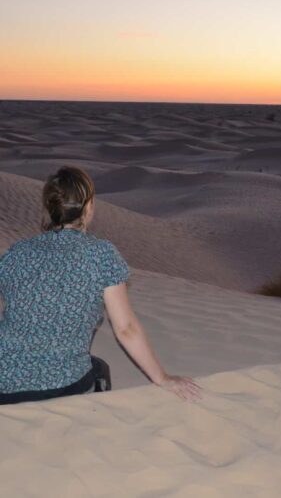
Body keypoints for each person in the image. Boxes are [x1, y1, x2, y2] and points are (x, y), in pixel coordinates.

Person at [0, 165, 203, 405]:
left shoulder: (15, 253)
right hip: (59, 384)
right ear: (88, 207)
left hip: (4, 381)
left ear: (49, 208)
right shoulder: (101, 254)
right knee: (99, 370)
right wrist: (163, 378)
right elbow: (125, 327)